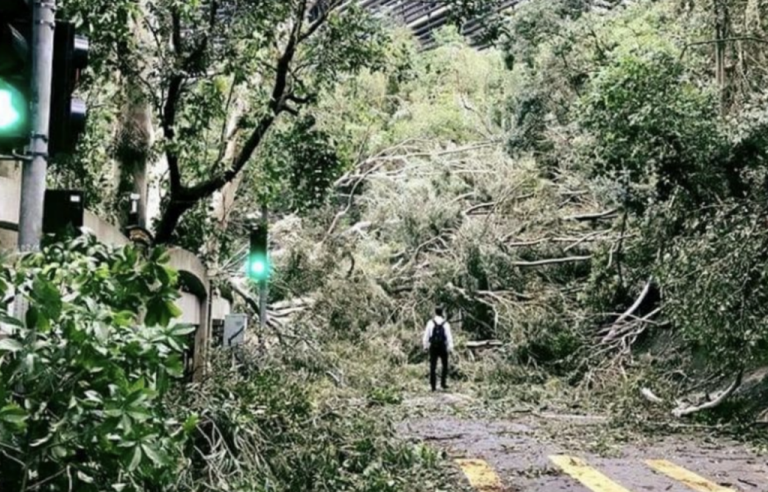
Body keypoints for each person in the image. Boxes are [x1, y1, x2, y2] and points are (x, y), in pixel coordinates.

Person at [422, 306, 453, 392]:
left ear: (435, 312)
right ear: (442, 312)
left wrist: (425, 346)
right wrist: (450, 347)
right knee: (445, 365)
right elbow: (448, 336)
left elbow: (426, 336)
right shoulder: (445, 324)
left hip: (433, 347)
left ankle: (433, 386)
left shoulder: (430, 323)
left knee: (433, 366)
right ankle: (443, 383)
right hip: (442, 346)